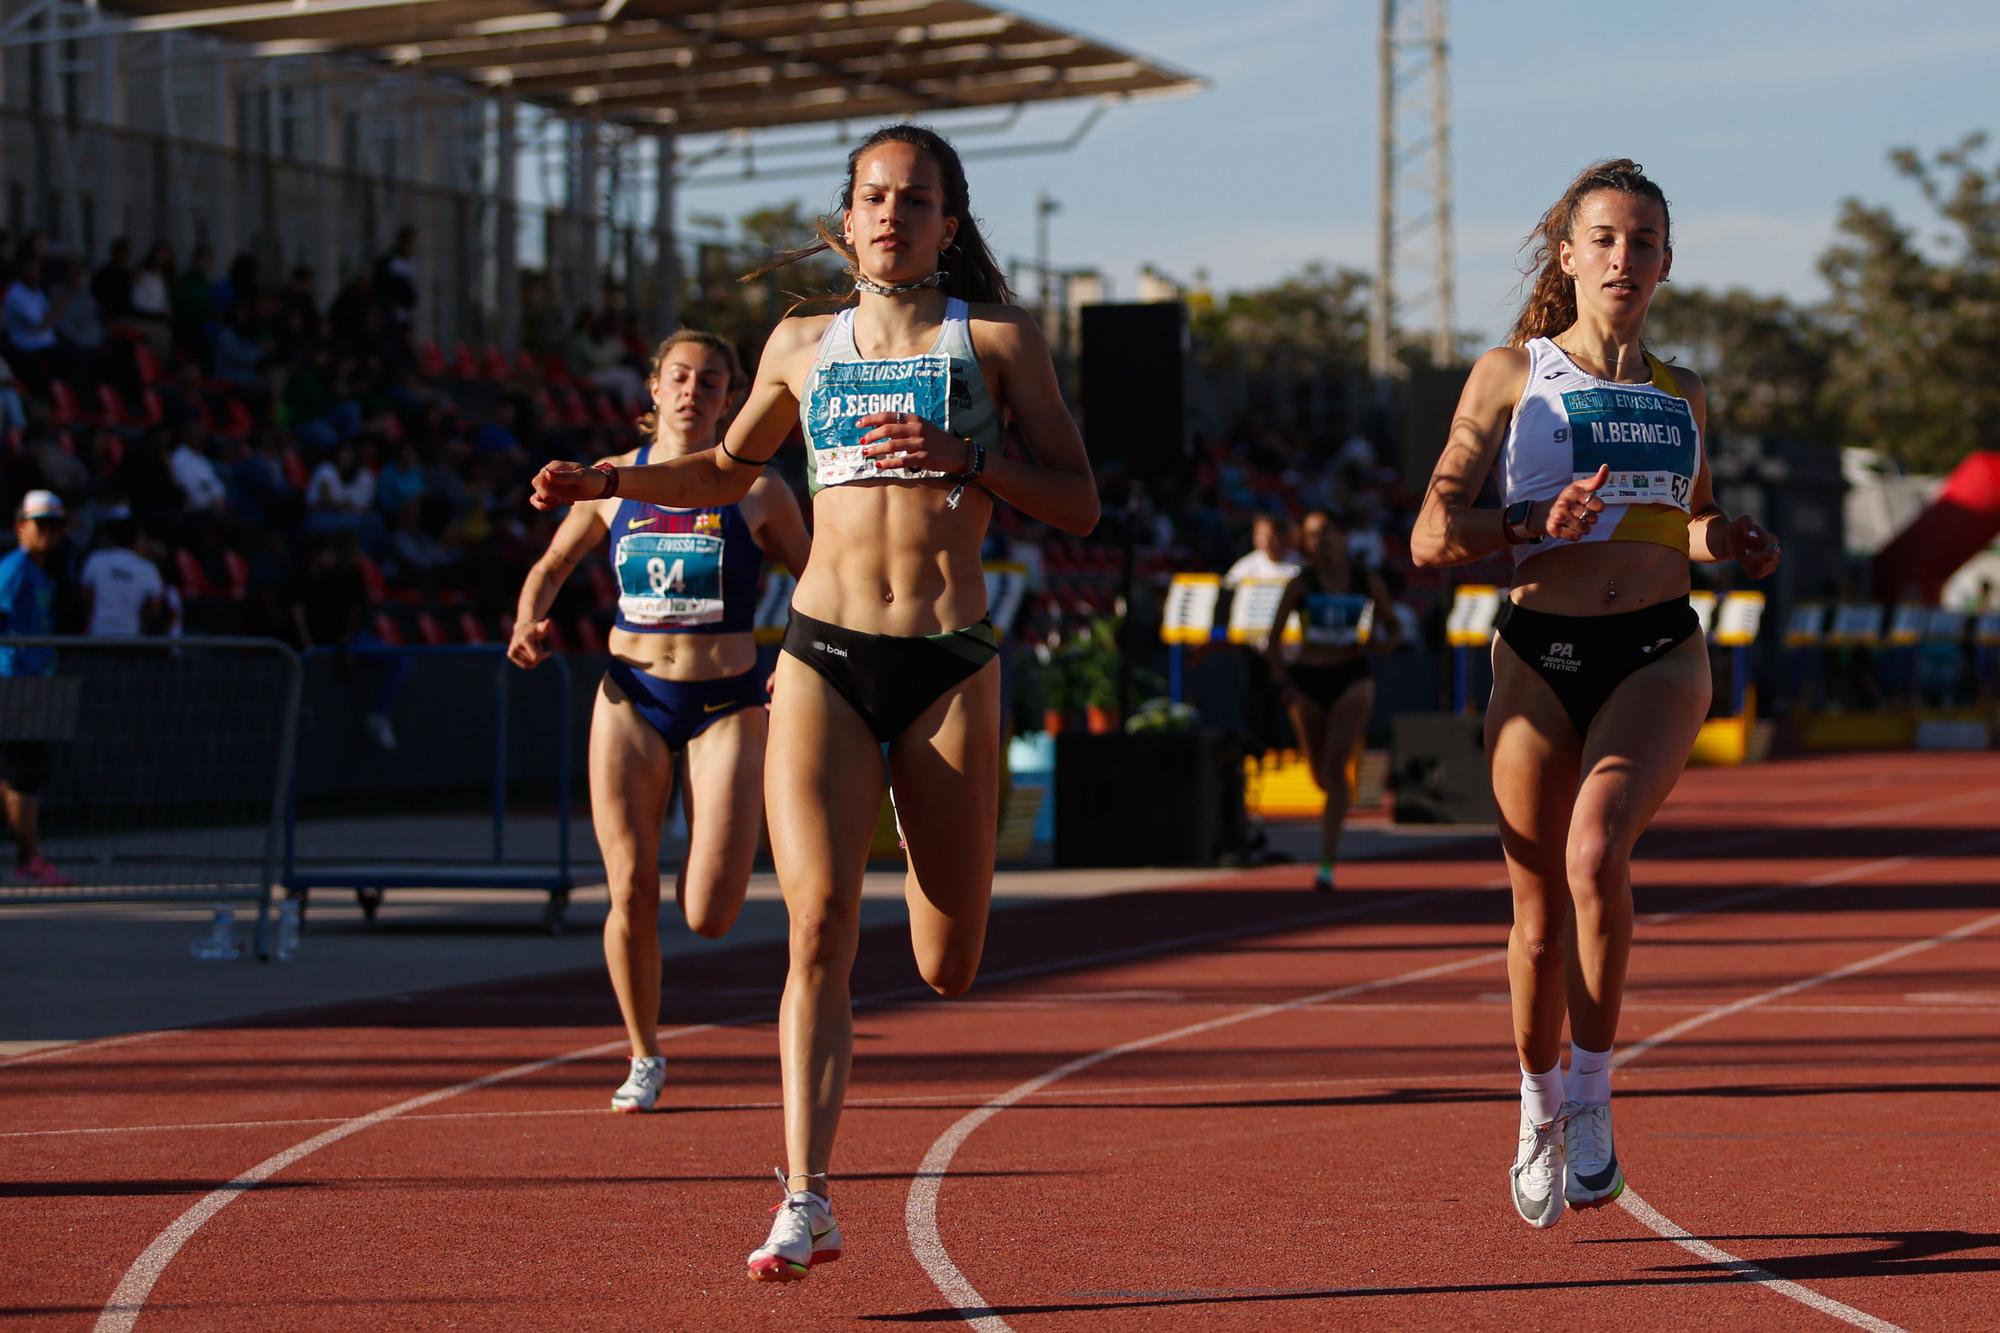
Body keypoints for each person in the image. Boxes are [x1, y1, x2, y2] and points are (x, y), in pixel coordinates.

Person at [531, 123, 1098, 1282]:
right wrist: (610, 480)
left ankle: (818, 1170)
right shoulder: (797, 342)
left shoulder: (994, 341)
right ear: (845, 221)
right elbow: (722, 476)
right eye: (873, 198)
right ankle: (806, 1195)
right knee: (817, 922)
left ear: (951, 221)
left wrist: (965, 458)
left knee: (948, 961)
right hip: (823, 654)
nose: (892, 215)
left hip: (947, 661)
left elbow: (1078, 503)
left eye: (917, 199)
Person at [1410, 159, 1781, 1230]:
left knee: (1592, 854)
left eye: (1643, 240)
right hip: (1538, 652)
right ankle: (1533, 1107)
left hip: (1657, 648)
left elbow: (1689, 518)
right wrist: (1530, 525)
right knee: (1533, 919)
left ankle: (1591, 1102)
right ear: (1565, 255)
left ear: (1666, 262)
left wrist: (1730, 538)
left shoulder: (1682, 392)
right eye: (1603, 238)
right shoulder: (1508, 375)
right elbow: (1432, 533)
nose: (1623, 257)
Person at [511, 328, 809, 1113]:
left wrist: (797, 656)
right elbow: (549, 567)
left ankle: (704, 856)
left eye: (711, 381)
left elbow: (820, 583)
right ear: (652, 389)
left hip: (726, 702)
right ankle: (643, 1052)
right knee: (630, 888)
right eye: (680, 376)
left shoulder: (760, 492)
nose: (693, 391)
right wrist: (528, 622)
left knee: (710, 912)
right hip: (631, 695)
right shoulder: (614, 483)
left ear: (731, 399)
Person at [1267, 509, 1398, 892]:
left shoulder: (1364, 580)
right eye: (1311, 535)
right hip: (1308, 678)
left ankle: (1327, 863)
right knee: (1319, 775)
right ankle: (1335, 807)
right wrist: (1283, 682)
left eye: (1326, 532)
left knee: (1338, 766)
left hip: (1352, 676)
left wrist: (1385, 641)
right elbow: (1273, 639)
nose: (1320, 540)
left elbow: (1392, 625)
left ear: (1341, 537)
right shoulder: (1301, 584)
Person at [0, 490, 74, 885]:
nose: (48, 533)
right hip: (17, 684)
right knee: (21, 776)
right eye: (40, 524)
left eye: (54, 525)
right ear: (20, 527)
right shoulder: (14, 568)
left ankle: (28, 855)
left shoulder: (41, 573)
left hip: (35, 683)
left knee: (22, 776)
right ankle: (29, 857)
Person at [81, 509, 171, 637]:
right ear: (137, 539)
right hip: (130, 636)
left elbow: (86, 596)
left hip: (99, 633)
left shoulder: (96, 560)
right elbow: (155, 607)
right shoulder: (148, 568)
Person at [1222, 511, 1300, 589]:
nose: (1267, 540)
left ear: (1283, 536)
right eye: (1261, 534)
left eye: (1271, 535)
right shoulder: (1246, 564)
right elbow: (1228, 586)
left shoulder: (1299, 562)